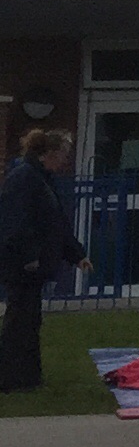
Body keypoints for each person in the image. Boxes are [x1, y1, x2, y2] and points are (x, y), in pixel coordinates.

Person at [0, 129, 88, 394]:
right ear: (49, 153)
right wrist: (29, 258)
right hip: (22, 266)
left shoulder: (41, 178)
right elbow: (15, 222)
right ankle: (11, 379)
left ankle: (26, 378)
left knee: (28, 321)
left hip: (32, 266)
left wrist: (77, 254)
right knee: (19, 322)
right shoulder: (25, 178)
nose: (65, 160)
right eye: (63, 154)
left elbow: (55, 223)